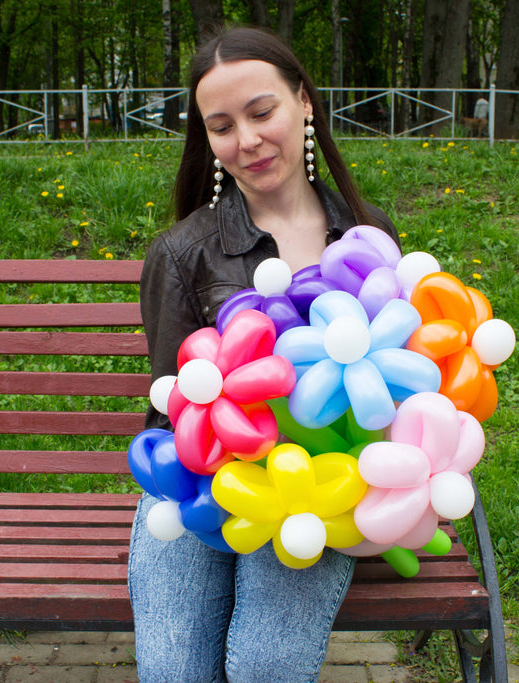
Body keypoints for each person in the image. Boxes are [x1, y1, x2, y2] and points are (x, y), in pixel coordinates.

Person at [130, 26, 399, 682]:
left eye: (261, 111)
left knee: (267, 664)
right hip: (198, 484)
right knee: (174, 671)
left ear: (303, 102)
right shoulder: (182, 253)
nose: (245, 141)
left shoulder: (368, 236)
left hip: (319, 486)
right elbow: (175, 412)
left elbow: (393, 384)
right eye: (221, 126)